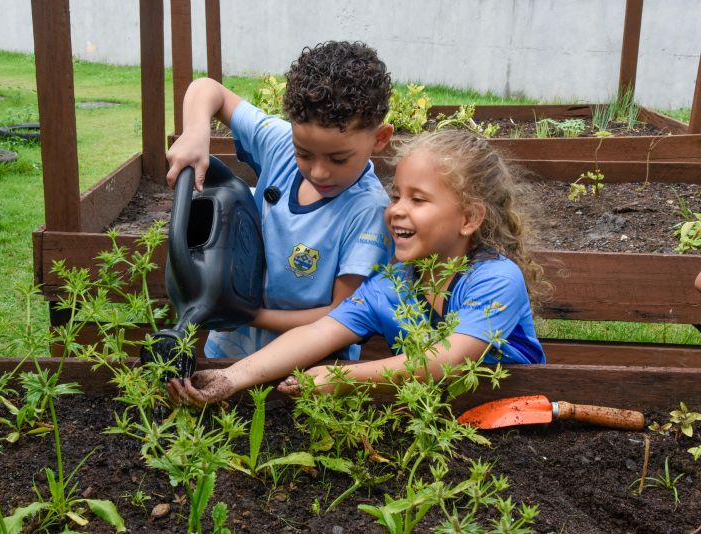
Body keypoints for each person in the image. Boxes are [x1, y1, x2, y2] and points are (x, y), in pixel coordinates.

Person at [166, 130, 548, 404]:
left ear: (469, 218)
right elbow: (319, 332)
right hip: (434, 416)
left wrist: (345, 377)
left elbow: (447, 359)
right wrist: (232, 378)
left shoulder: (496, 279)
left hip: (516, 417)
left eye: (418, 199)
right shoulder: (390, 285)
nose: (397, 208)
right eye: (396, 195)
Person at [166, 41, 394, 360]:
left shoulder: (369, 212)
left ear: (380, 138)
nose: (319, 171)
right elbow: (207, 89)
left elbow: (341, 314)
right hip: (230, 348)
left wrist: (244, 313)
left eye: (338, 159)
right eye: (304, 153)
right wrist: (194, 132)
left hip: (308, 366)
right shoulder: (280, 144)